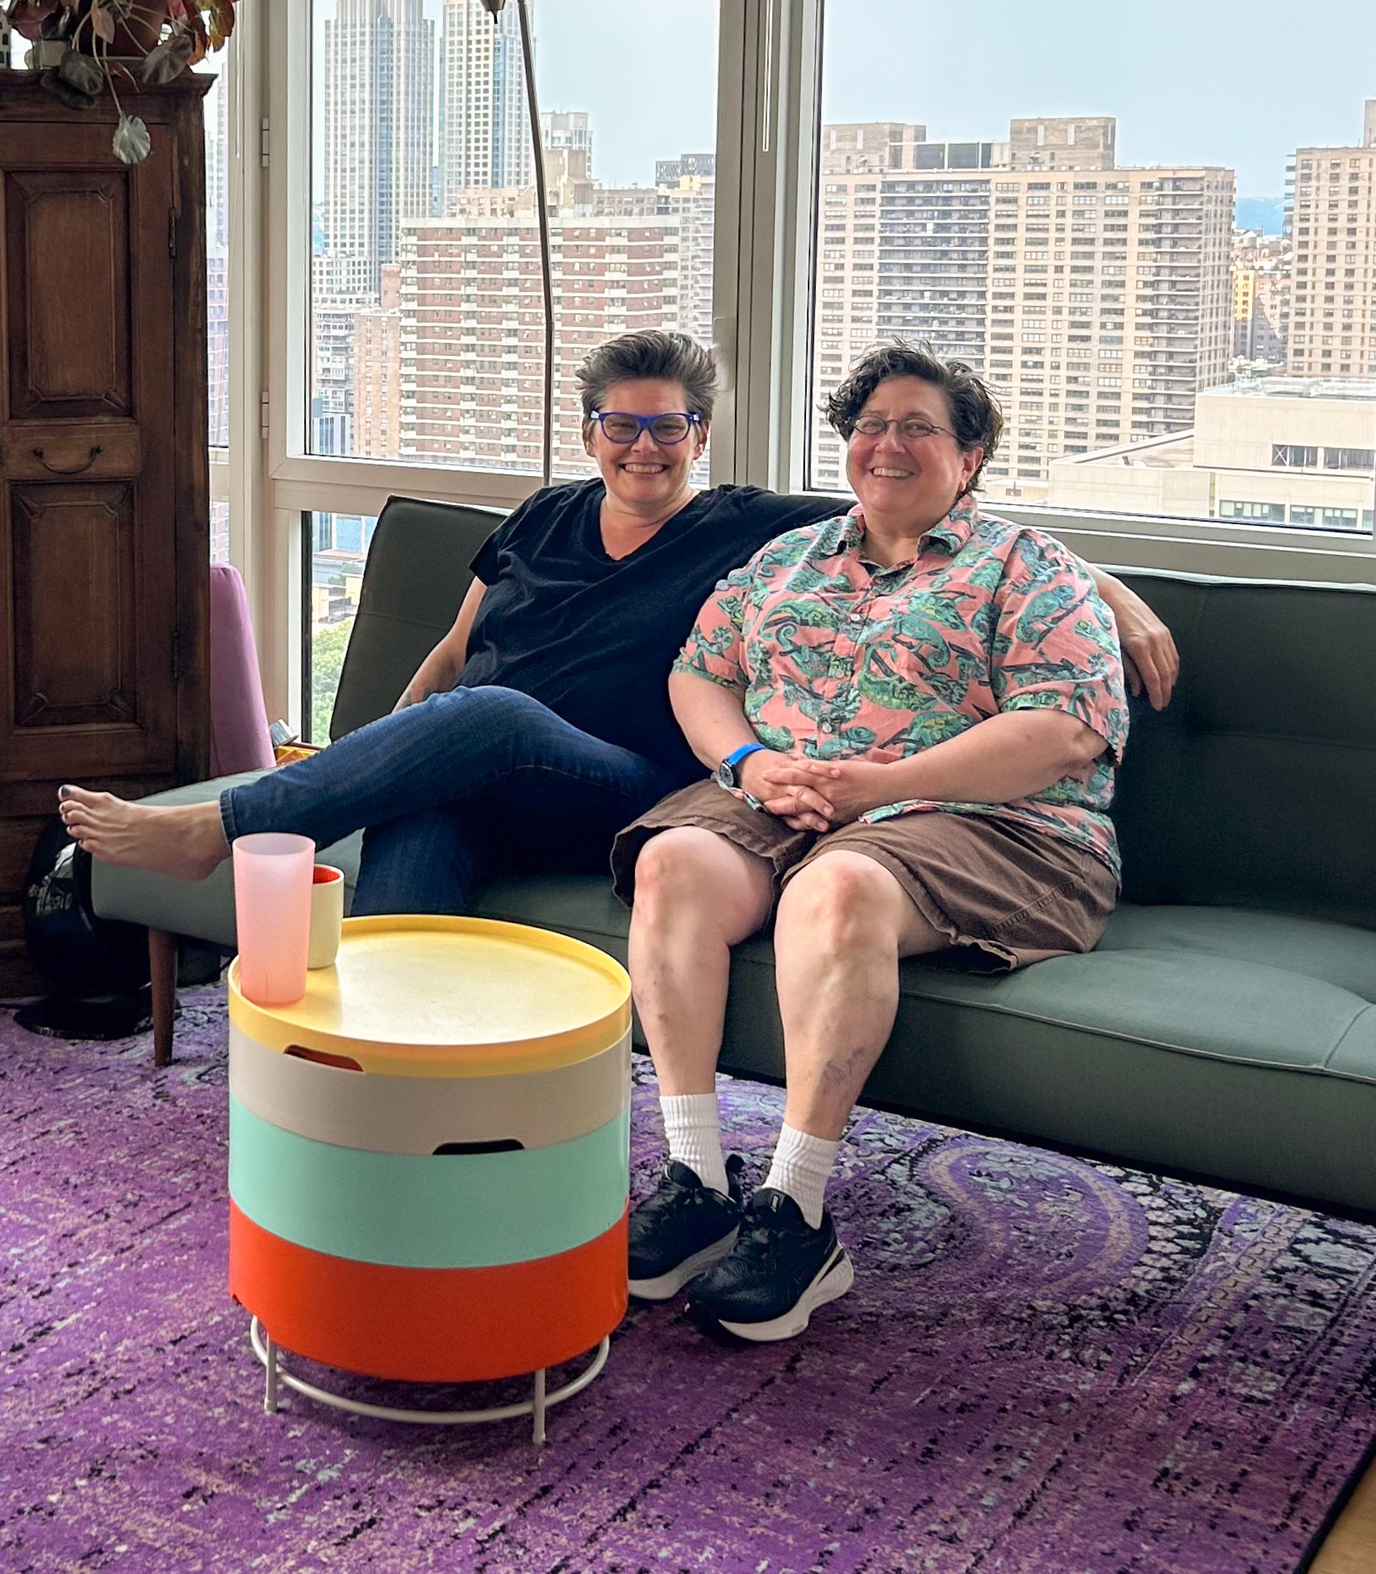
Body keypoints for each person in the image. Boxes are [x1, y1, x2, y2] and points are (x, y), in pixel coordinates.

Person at [58, 329, 1173, 918]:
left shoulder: (750, 526)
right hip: (489, 772)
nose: (645, 449)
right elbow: (449, 657)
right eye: (620, 428)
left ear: (701, 433)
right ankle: (392, 1107)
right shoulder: (539, 518)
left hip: (622, 788)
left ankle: (223, 828)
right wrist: (367, 768)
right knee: (420, 826)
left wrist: (1106, 587)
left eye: (670, 428)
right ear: (589, 432)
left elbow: (917, 496)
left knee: (493, 715)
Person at [619, 341, 1131, 1350]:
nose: (886, 446)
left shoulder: (1032, 571)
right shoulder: (788, 560)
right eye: (869, 427)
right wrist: (747, 767)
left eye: (917, 428)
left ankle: (796, 1214)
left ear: (971, 454)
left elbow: (1067, 729)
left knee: (840, 890)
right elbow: (699, 672)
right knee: (670, 861)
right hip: (788, 798)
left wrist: (885, 786)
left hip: (993, 824)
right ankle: (695, 1177)